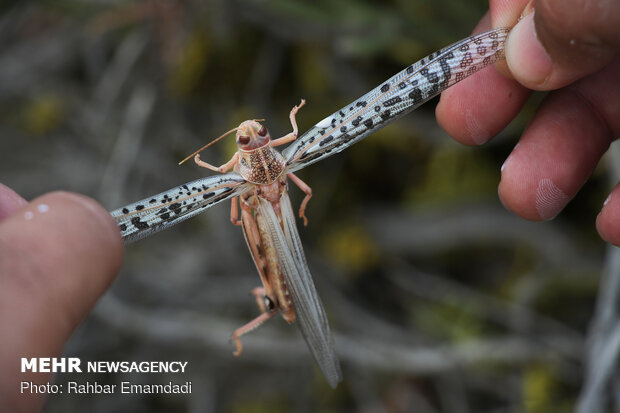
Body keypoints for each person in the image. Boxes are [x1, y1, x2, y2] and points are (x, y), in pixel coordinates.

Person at [1, 0, 618, 410]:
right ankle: (272, 305)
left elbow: (281, 158)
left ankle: (279, 305)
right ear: (246, 151)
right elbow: (236, 174)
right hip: (261, 214)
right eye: (249, 139)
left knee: (269, 255)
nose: (257, 136)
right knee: (268, 271)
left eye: (257, 133)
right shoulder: (240, 174)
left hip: (268, 206)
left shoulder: (266, 160)